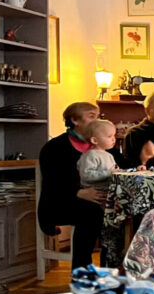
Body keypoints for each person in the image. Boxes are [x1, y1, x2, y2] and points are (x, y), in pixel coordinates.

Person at [37, 102, 130, 269]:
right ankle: (82, 271)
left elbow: (123, 167)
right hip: (60, 202)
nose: (97, 121)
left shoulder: (104, 145)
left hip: (100, 199)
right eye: (91, 116)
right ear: (75, 120)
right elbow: (53, 183)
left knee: (123, 209)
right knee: (91, 212)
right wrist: (79, 193)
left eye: (98, 116)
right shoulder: (55, 147)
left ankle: (111, 267)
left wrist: (140, 164)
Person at [77, 120, 123, 191]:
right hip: (95, 192)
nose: (114, 139)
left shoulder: (109, 155)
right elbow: (86, 175)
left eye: (114, 135)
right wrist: (109, 173)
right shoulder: (90, 155)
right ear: (94, 140)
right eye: (109, 136)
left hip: (109, 189)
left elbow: (115, 170)